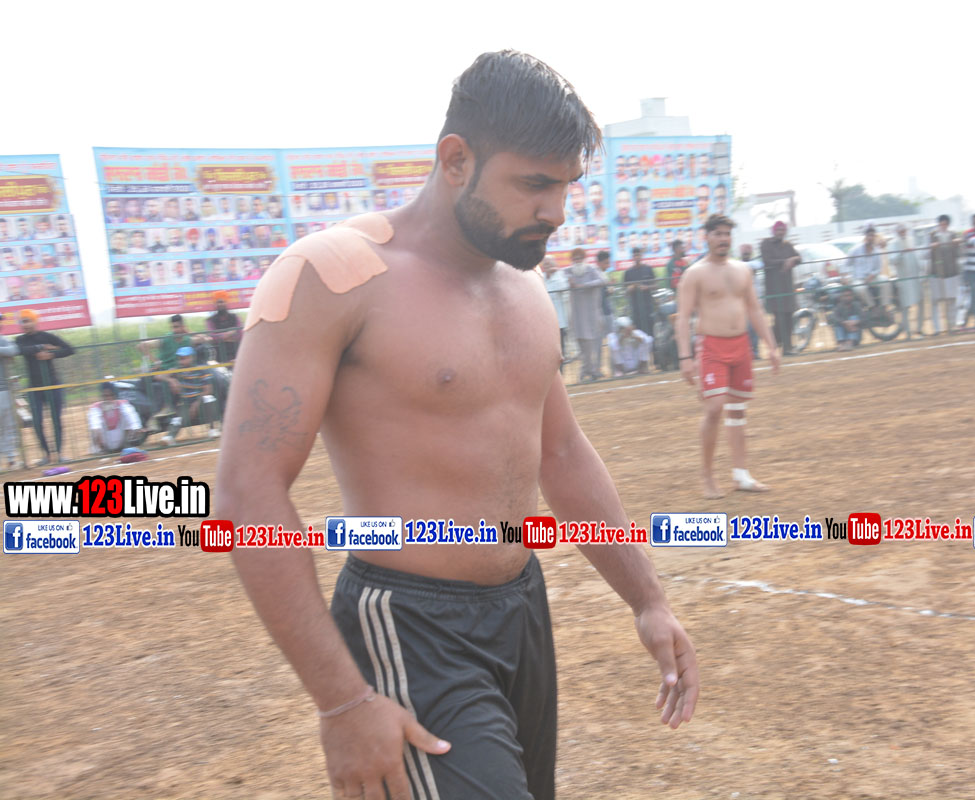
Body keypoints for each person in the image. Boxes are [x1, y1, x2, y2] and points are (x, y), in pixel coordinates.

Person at [215, 50, 697, 800]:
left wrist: (648, 599)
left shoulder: (527, 285)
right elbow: (248, 489)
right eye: (533, 184)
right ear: (455, 160)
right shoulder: (332, 275)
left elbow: (561, 452)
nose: (556, 210)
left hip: (520, 611)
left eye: (566, 185)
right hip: (408, 625)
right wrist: (342, 701)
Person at [675, 214, 780, 499]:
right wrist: (685, 357)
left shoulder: (743, 269)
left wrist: (771, 346)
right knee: (714, 408)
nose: (723, 239)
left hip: (741, 345)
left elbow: (755, 309)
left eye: (727, 234)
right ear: (707, 237)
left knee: (737, 409)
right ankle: (707, 476)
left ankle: (741, 475)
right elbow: (683, 317)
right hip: (711, 347)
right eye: (718, 234)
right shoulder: (694, 273)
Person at [15, 309, 74, 465]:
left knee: (56, 419)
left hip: (53, 384)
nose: (25, 325)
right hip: (34, 388)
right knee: (37, 422)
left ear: (35, 321)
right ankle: (47, 455)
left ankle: (59, 454)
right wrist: (41, 347)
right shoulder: (20, 339)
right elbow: (21, 350)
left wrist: (51, 354)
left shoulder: (47, 336)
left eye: (27, 321)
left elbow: (70, 349)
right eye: (22, 322)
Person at [759, 221, 800, 354]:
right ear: (773, 231)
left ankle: (786, 346)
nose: (780, 232)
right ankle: (779, 344)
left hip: (787, 286)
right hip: (774, 287)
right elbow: (767, 261)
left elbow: (799, 258)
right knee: (780, 318)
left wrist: (793, 259)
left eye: (782, 230)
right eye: (778, 230)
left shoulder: (788, 245)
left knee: (789, 317)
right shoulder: (766, 243)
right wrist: (785, 261)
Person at [568, 247, 605, 381]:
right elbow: (559, 278)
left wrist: (583, 285)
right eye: (575, 259)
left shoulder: (591, 269)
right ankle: (589, 371)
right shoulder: (568, 272)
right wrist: (569, 283)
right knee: (581, 344)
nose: (577, 261)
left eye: (579, 258)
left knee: (590, 344)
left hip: (591, 315)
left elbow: (602, 281)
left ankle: (588, 371)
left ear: (584, 258)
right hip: (577, 315)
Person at [87, 381, 144, 453]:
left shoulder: (122, 404)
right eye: (105, 396)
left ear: (114, 395)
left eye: (110, 395)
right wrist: (99, 441)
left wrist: (136, 428)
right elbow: (94, 425)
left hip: (121, 442)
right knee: (94, 425)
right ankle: (100, 449)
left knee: (127, 413)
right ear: (102, 396)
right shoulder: (95, 408)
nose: (108, 398)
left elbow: (132, 418)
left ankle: (126, 445)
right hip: (103, 444)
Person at [887, 224, 923, 339]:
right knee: (905, 307)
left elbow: (917, 256)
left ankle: (919, 330)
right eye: (901, 231)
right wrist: (901, 253)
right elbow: (892, 261)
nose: (903, 232)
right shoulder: (893, 244)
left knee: (920, 303)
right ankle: (907, 333)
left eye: (904, 230)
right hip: (903, 279)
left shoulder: (911, 240)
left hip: (915, 277)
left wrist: (921, 273)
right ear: (897, 232)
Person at [927, 214, 960, 335]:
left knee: (951, 300)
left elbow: (958, 253)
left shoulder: (953, 234)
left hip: (951, 271)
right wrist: (932, 247)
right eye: (941, 224)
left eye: (945, 224)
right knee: (936, 300)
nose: (943, 226)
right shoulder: (932, 235)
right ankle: (937, 329)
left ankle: (952, 326)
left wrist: (957, 243)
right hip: (936, 271)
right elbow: (926, 253)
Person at [542, 256, 571, 369]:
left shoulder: (560, 275)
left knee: (560, 351)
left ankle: (560, 373)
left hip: (559, 322)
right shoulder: (541, 277)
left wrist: (555, 272)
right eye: (545, 264)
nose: (547, 266)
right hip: (545, 321)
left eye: (549, 263)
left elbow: (563, 287)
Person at [0, 314, 21, 469]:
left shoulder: (2, 340)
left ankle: (11, 459)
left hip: (4, 390)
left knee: (9, 425)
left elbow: (14, 350)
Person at [623, 246, 657, 338]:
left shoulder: (648, 269)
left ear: (641, 256)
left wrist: (647, 287)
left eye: (638, 255)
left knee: (650, 331)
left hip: (648, 306)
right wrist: (630, 288)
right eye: (635, 255)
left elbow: (656, 285)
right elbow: (625, 292)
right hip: (635, 308)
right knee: (638, 333)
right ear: (632, 257)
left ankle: (652, 346)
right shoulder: (628, 272)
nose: (637, 257)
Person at [206, 290, 243, 363]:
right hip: (220, 357)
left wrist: (221, 337)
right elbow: (214, 337)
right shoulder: (210, 320)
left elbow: (240, 335)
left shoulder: (235, 317)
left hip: (237, 354)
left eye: (222, 302)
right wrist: (230, 333)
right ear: (215, 304)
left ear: (226, 302)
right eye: (218, 302)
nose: (220, 304)